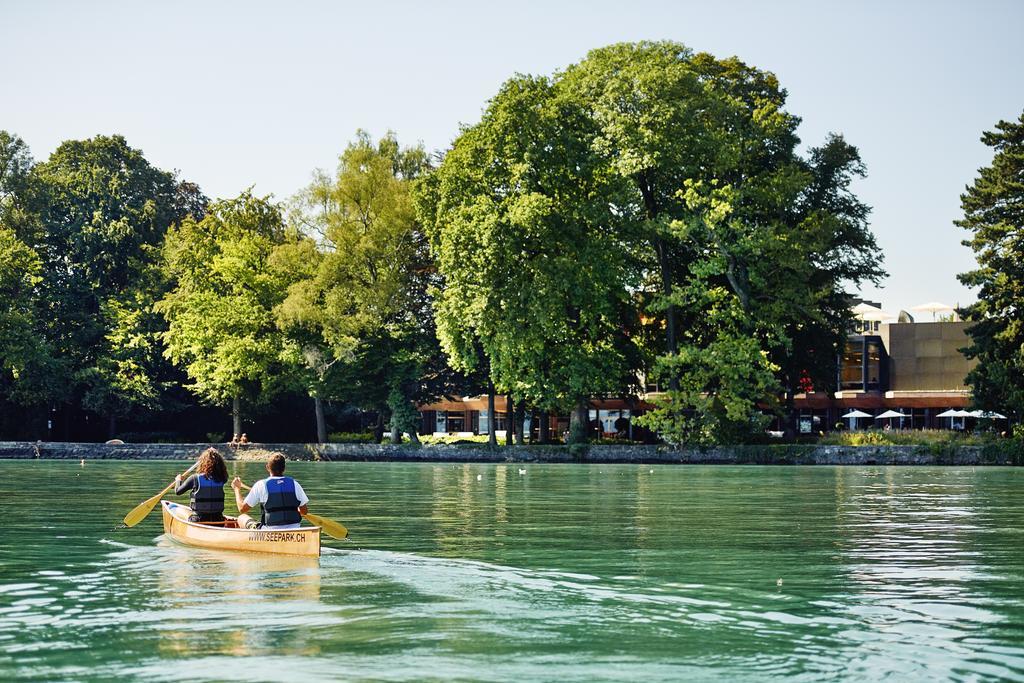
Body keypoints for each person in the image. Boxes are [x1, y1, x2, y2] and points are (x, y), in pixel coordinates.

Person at [231, 453, 308, 530]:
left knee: (242, 517)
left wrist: (237, 489)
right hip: (294, 531)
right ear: (284, 468)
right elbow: (304, 512)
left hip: (270, 532)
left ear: (267, 467)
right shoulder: (295, 484)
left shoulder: (261, 485)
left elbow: (242, 509)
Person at [174, 447, 228, 524]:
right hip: (218, 520)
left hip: (199, 520)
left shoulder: (194, 478)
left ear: (203, 463)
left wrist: (178, 480)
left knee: (177, 509)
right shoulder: (223, 478)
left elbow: (178, 491)